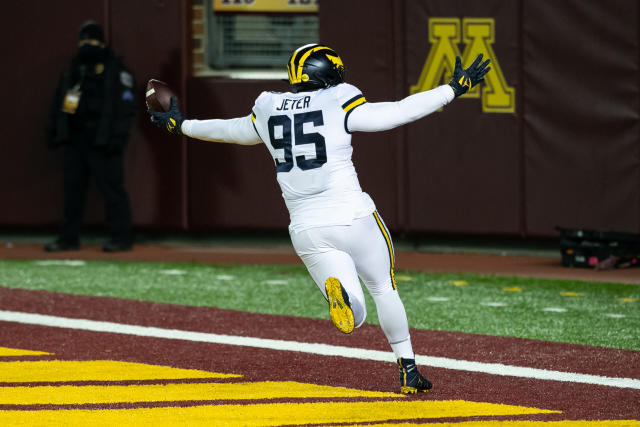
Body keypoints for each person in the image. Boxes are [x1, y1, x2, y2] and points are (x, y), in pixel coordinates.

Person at [148, 44, 490, 393]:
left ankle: (342, 296)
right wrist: (453, 89)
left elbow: (231, 130)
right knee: (383, 288)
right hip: (352, 215)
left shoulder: (269, 106)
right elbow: (398, 112)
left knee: (354, 316)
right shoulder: (340, 98)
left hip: (306, 228)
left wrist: (182, 125)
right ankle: (408, 370)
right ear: (331, 72)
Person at [45, 20, 136, 253]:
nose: (87, 45)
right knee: (72, 192)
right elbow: (59, 104)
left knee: (112, 190)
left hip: (103, 141)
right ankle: (68, 239)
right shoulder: (73, 70)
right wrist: (55, 132)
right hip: (76, 140)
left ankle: (121, 238)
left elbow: (126, 109)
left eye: (92, 40)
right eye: (83, 40)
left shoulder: (117, 71)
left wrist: (117, 138)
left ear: (102, 43)